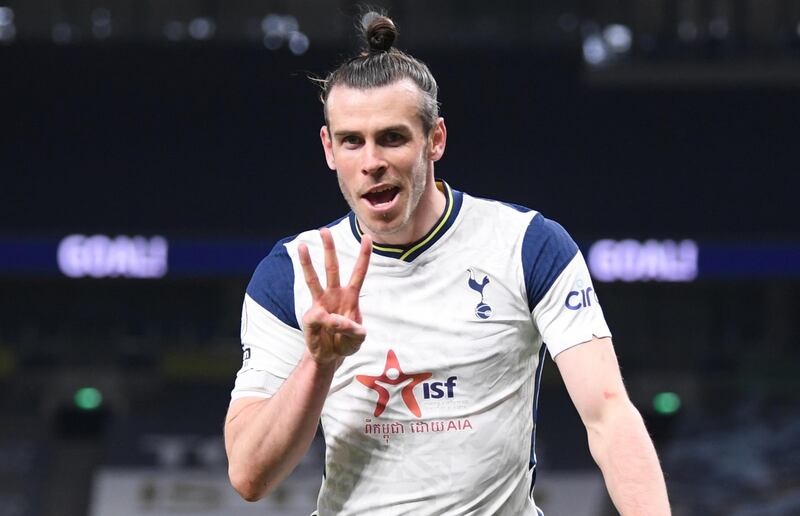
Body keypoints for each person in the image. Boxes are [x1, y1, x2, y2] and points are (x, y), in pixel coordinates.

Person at [224, 12, 671, 515]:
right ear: (329, 148)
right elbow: (248, 474)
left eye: (392, 137)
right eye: (352, 140)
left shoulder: (526, 246)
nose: (372, 160)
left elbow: (609, 415)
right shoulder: (292, 272)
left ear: (435, 139)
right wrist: (320, 362)